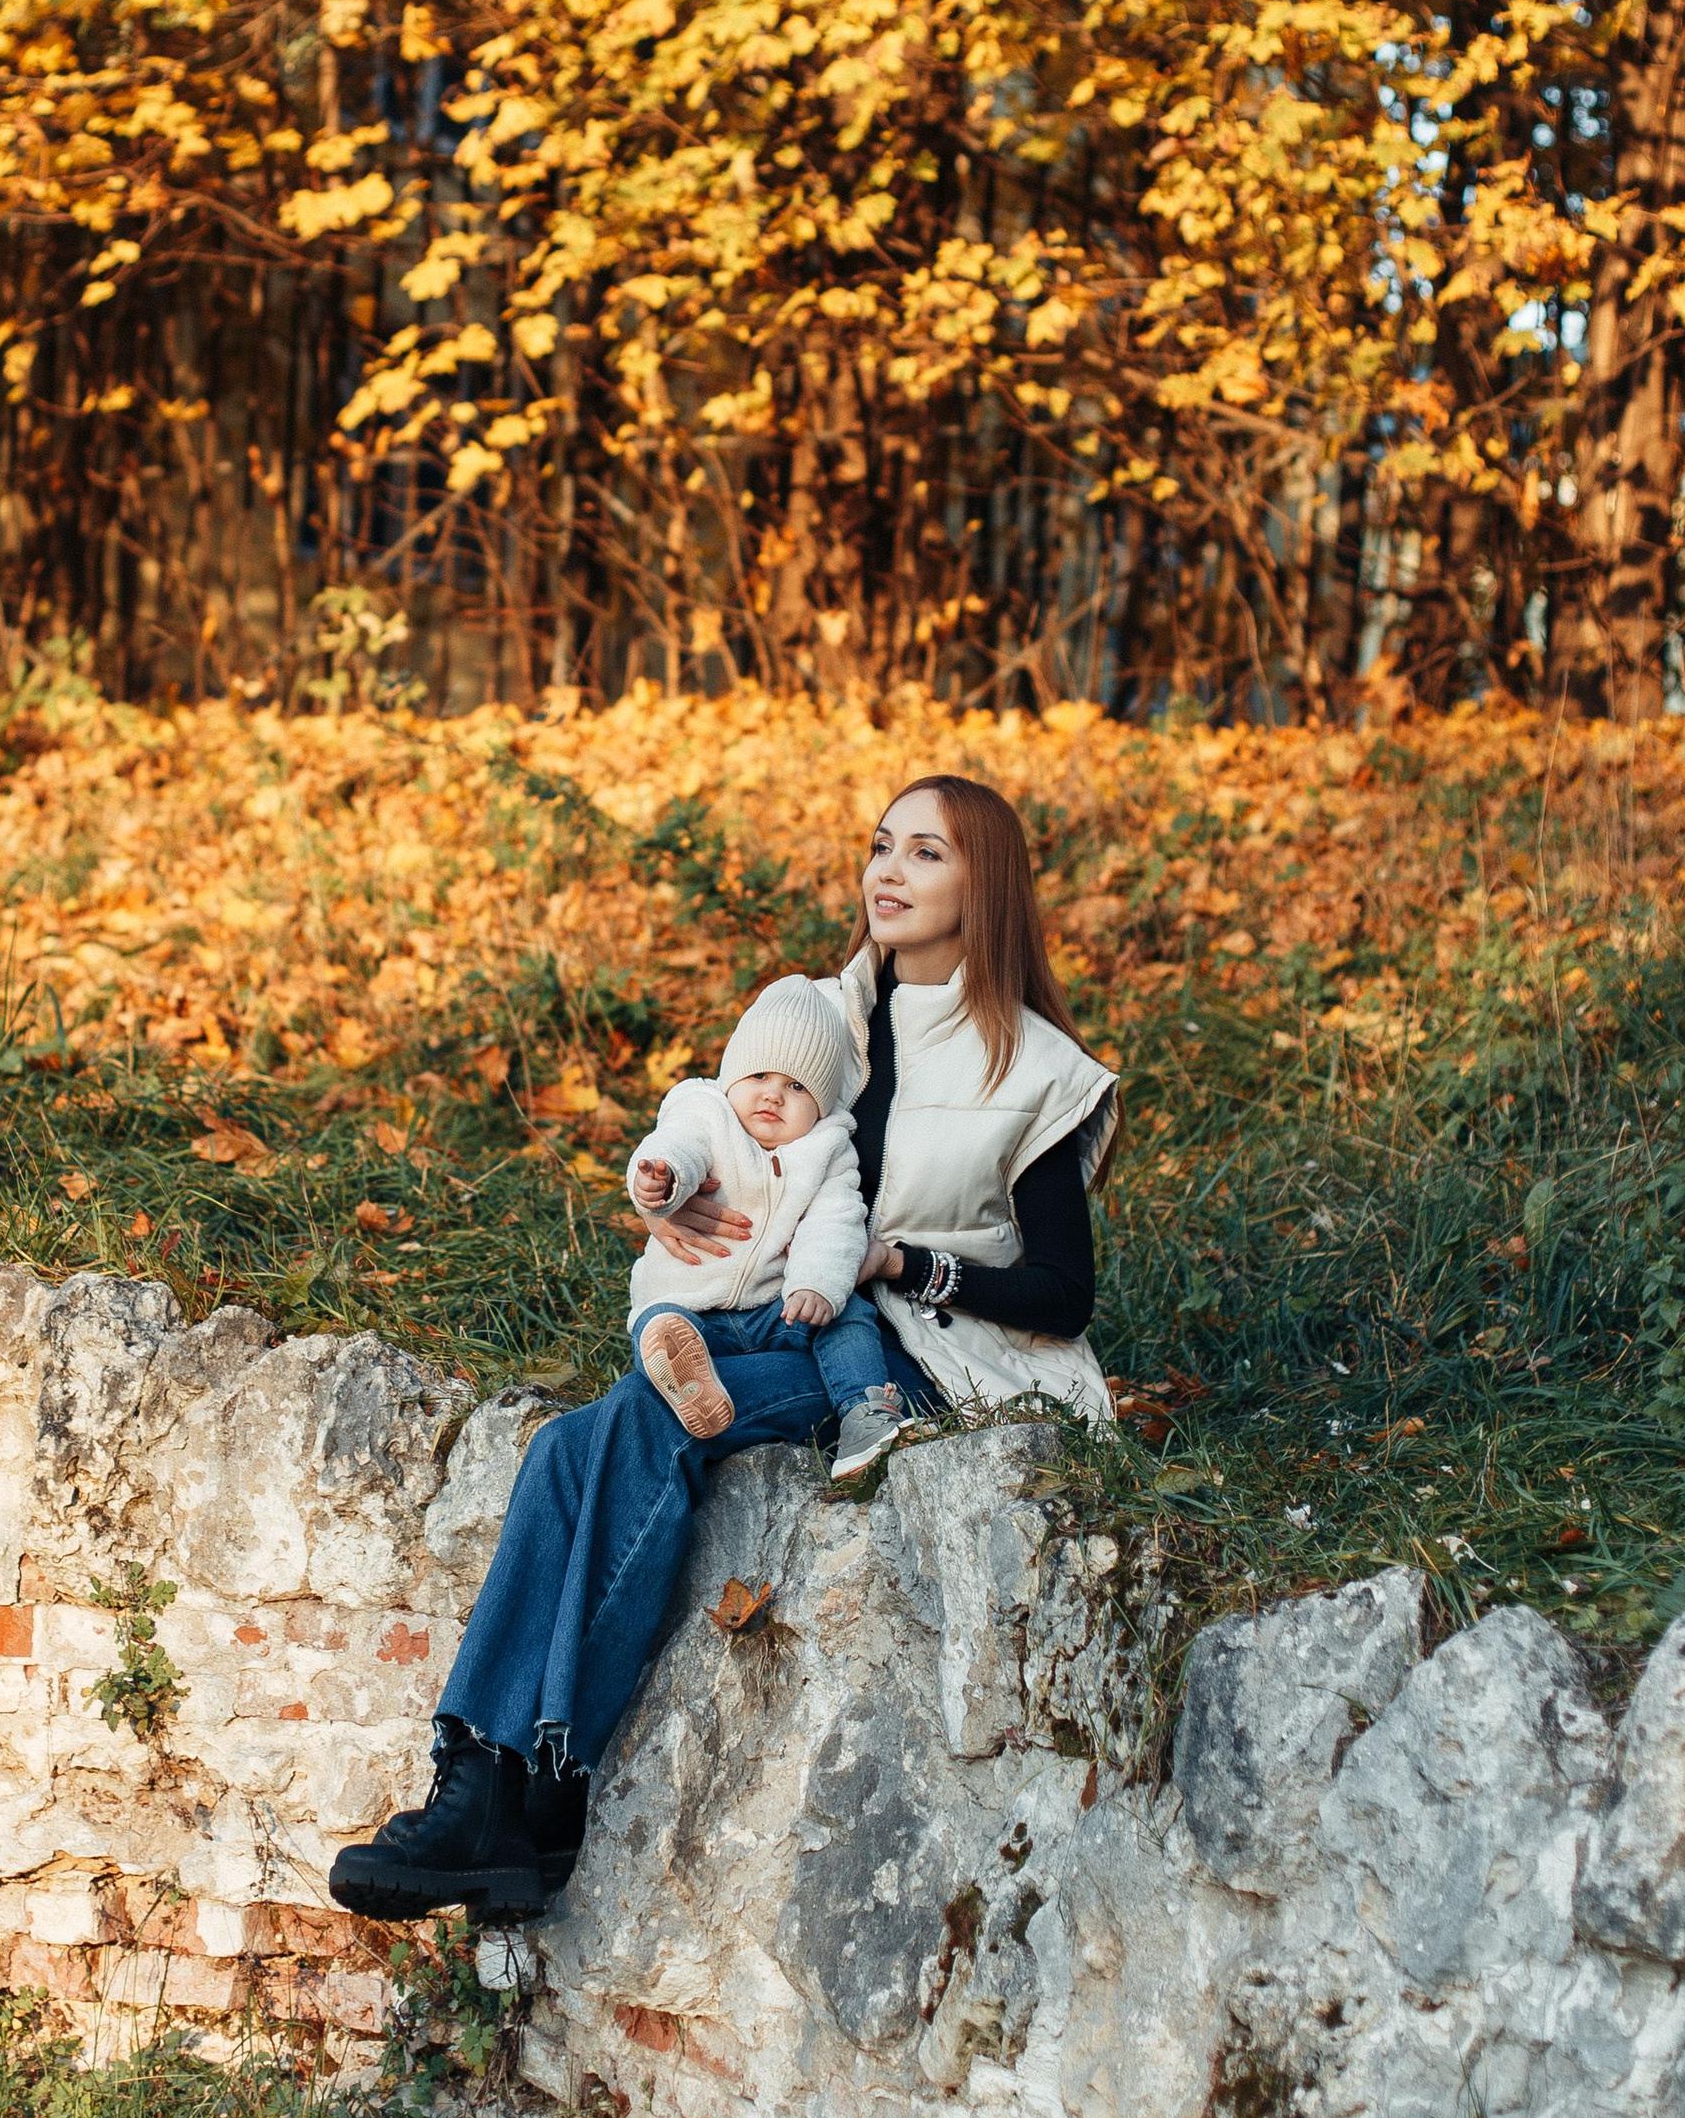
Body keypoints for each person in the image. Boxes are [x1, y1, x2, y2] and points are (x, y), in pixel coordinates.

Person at [327, 773, 1119, 1922]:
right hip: (774, 1313)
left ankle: (525, 1789)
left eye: (925, 854)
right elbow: (719, 1134)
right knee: (566, 1448)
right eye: (879, 846)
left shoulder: (1031, 1066)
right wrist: (675, 1203)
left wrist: (898, 1263)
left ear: (983, 883)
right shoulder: (819, 1015)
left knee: (651, 1421)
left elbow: (1065, 1294)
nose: (887, 872)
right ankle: (492, 1779)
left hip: (932, 1361)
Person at [623, 974, 890, 1462]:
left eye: (796, 1086)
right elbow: (675, 1147)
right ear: (732, 1079)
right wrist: (660, 1181)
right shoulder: (707, 1115)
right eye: (759, 1077)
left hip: (776, 1309)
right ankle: (688, 1382)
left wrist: (815, 1285)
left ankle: (866, 1415)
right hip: (693, 1307)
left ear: (822, 1104)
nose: (773, 1096)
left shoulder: (827, 1151)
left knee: (849, 1311)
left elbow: (837, 1221)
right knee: (659, 1326)